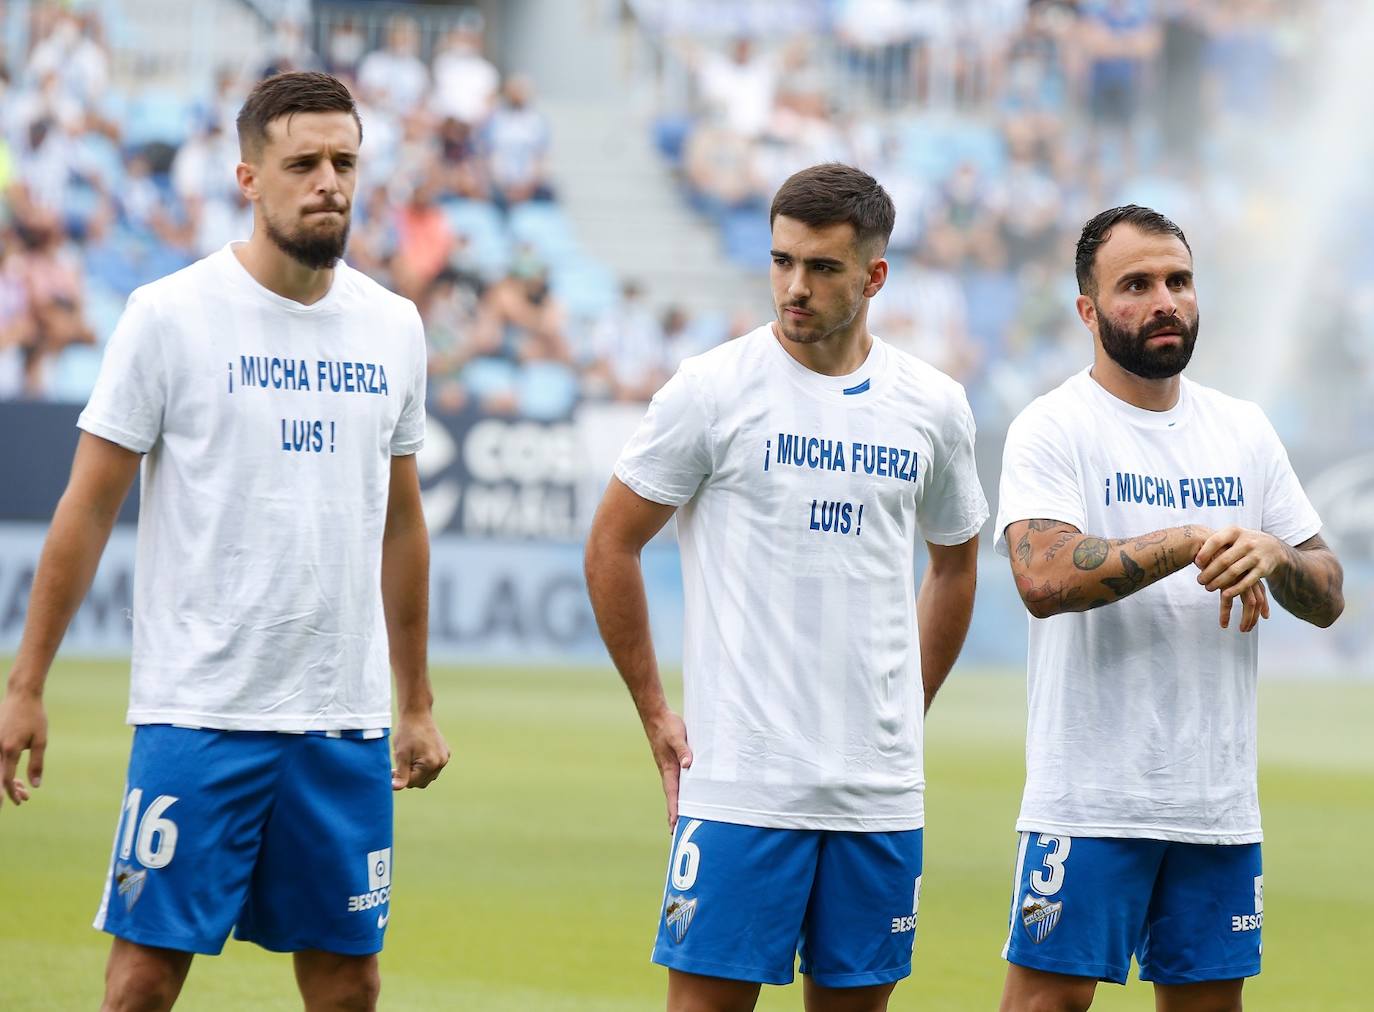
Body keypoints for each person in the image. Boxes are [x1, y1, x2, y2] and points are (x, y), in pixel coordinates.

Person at [0, 71, 450, 1012]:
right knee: (141, 983)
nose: (329, 181)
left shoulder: (393, 326)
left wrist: (415, 700)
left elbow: (402, 520)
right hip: (199, 712)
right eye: (304, 163)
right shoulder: (169, 316)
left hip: (342, 721)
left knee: (347, 985)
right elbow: (84, 511)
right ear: (249, 177)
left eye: (345, 162)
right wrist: (25, 685)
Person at [585, 163, 988, 1012]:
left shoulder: (935, 405)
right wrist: (656, 711)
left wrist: (904, 707)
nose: (794, 287)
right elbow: (611, 545)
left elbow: (954, 563)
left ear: (875, 276)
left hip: (877, 795)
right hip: (742, 783)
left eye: (822, 268)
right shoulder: (711, 389)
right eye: (781, 262)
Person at [994, 205, 1344, 1012]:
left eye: (1179, 281)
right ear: (1087, 311)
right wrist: (1189, 540)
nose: (1165, 301)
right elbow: (1043, 577)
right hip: (1089, 798)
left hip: (1216, 805)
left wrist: (1278, 554)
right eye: (1136, 285)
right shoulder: (1054, 427)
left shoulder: (1245, 431)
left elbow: (1327, 594)